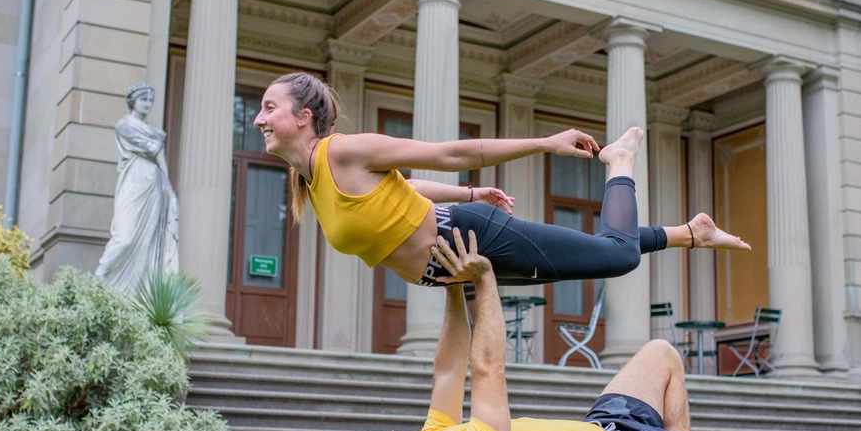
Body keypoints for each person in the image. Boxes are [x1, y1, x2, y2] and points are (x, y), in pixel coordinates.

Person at [337, 231, 861, 431]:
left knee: (661, 354)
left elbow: (448, 369)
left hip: (605, 430)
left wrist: (452, 289)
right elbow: (487, 371)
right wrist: (484, 279)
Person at [253, 72, 750, 287]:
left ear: (303, 116)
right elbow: (403, 191)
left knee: (616, 256)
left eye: (268, 108)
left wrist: (543, 143)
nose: (259, 120)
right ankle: (690, 234)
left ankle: (620, 161)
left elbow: (451, 151)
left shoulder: (344, 150)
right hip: (454, 261)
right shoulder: (312, 180)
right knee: (592, 249)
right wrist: (470, 191)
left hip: (468, 238)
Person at [95, 83, 180, 295]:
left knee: (149, 242)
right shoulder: (124, 126)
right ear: (133, 102)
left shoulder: (155, 132)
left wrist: (169, 190)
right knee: (125, 237)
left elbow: (160, 159)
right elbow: (152, 148)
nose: (147, 104)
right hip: (134, 182)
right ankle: (98, 281)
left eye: (150, 100)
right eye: (143, 99)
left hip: (154, 184)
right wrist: (156, 145)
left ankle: (136, 292)